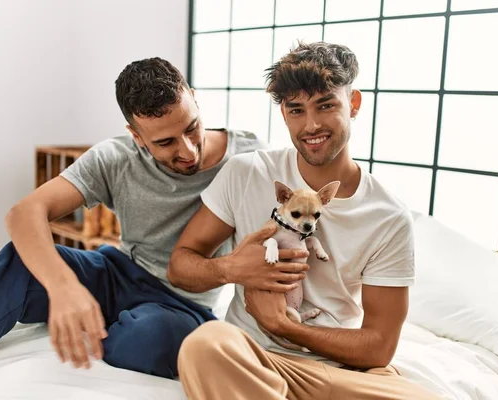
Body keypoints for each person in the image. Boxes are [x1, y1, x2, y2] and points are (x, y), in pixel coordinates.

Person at [0, 57, 265, 396]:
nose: (188, 150)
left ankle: (107, 328)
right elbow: (25, 213)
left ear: (194, 97)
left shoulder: (249, 157)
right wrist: (63, 288)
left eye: (191, 127)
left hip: (182, 304)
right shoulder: (115, 157)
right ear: (135, 135)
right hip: (115, 273)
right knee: (19, 262)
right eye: (165, 143)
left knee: (148, 337)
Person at [168, 42, 442, 400]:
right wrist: (231, 268)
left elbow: (378, 347)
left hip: (335, 368)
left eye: (325, 105)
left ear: (353, 103)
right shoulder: (247, 172)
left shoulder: (387, 218)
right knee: (204, 344)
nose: (311, 124)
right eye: (296, 110)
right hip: (250, 357)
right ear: (284, 114)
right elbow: (179, 266)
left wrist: (282, 325)